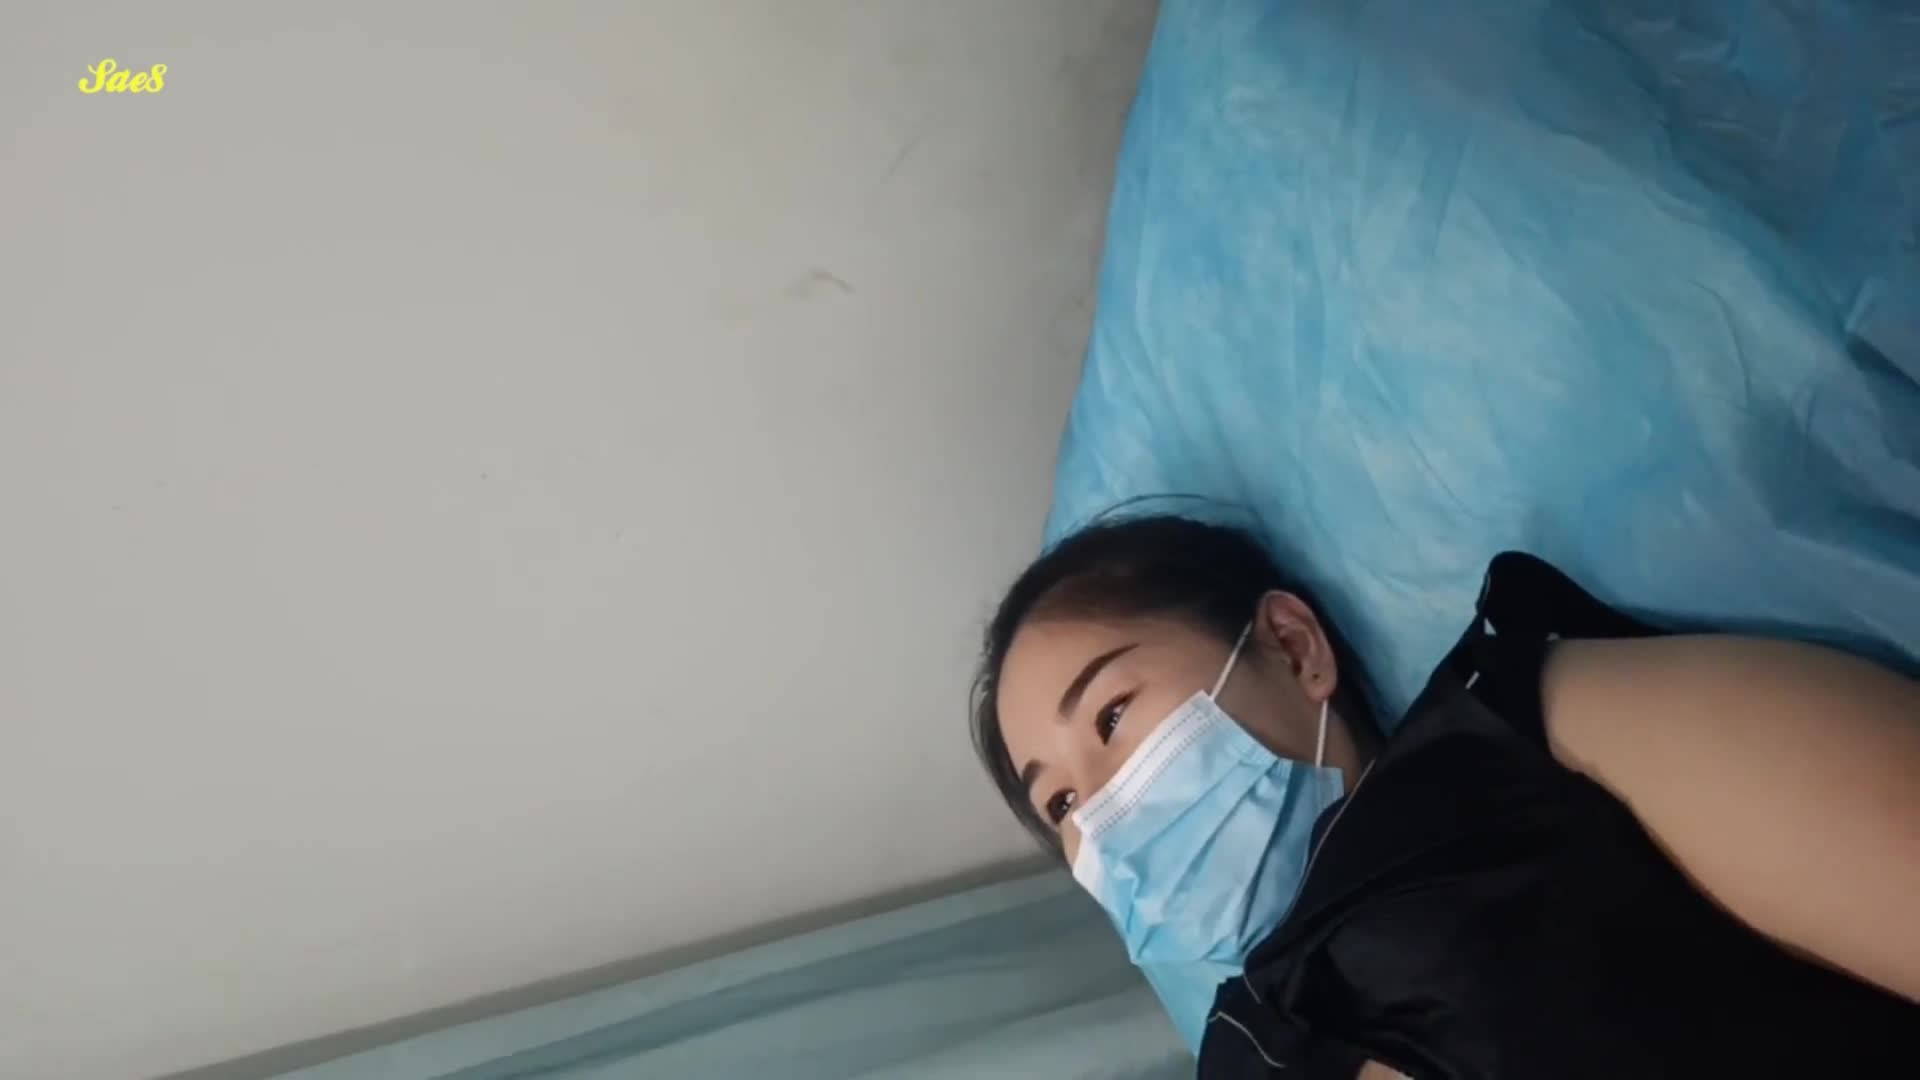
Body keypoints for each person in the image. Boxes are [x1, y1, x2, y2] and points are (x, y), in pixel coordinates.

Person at [969, 514, 1920, 1078]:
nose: (1105, 816)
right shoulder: (1243, 1050)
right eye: (1061, 809)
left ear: (1292, 648)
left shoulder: (1535, 730)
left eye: (1111, 717)